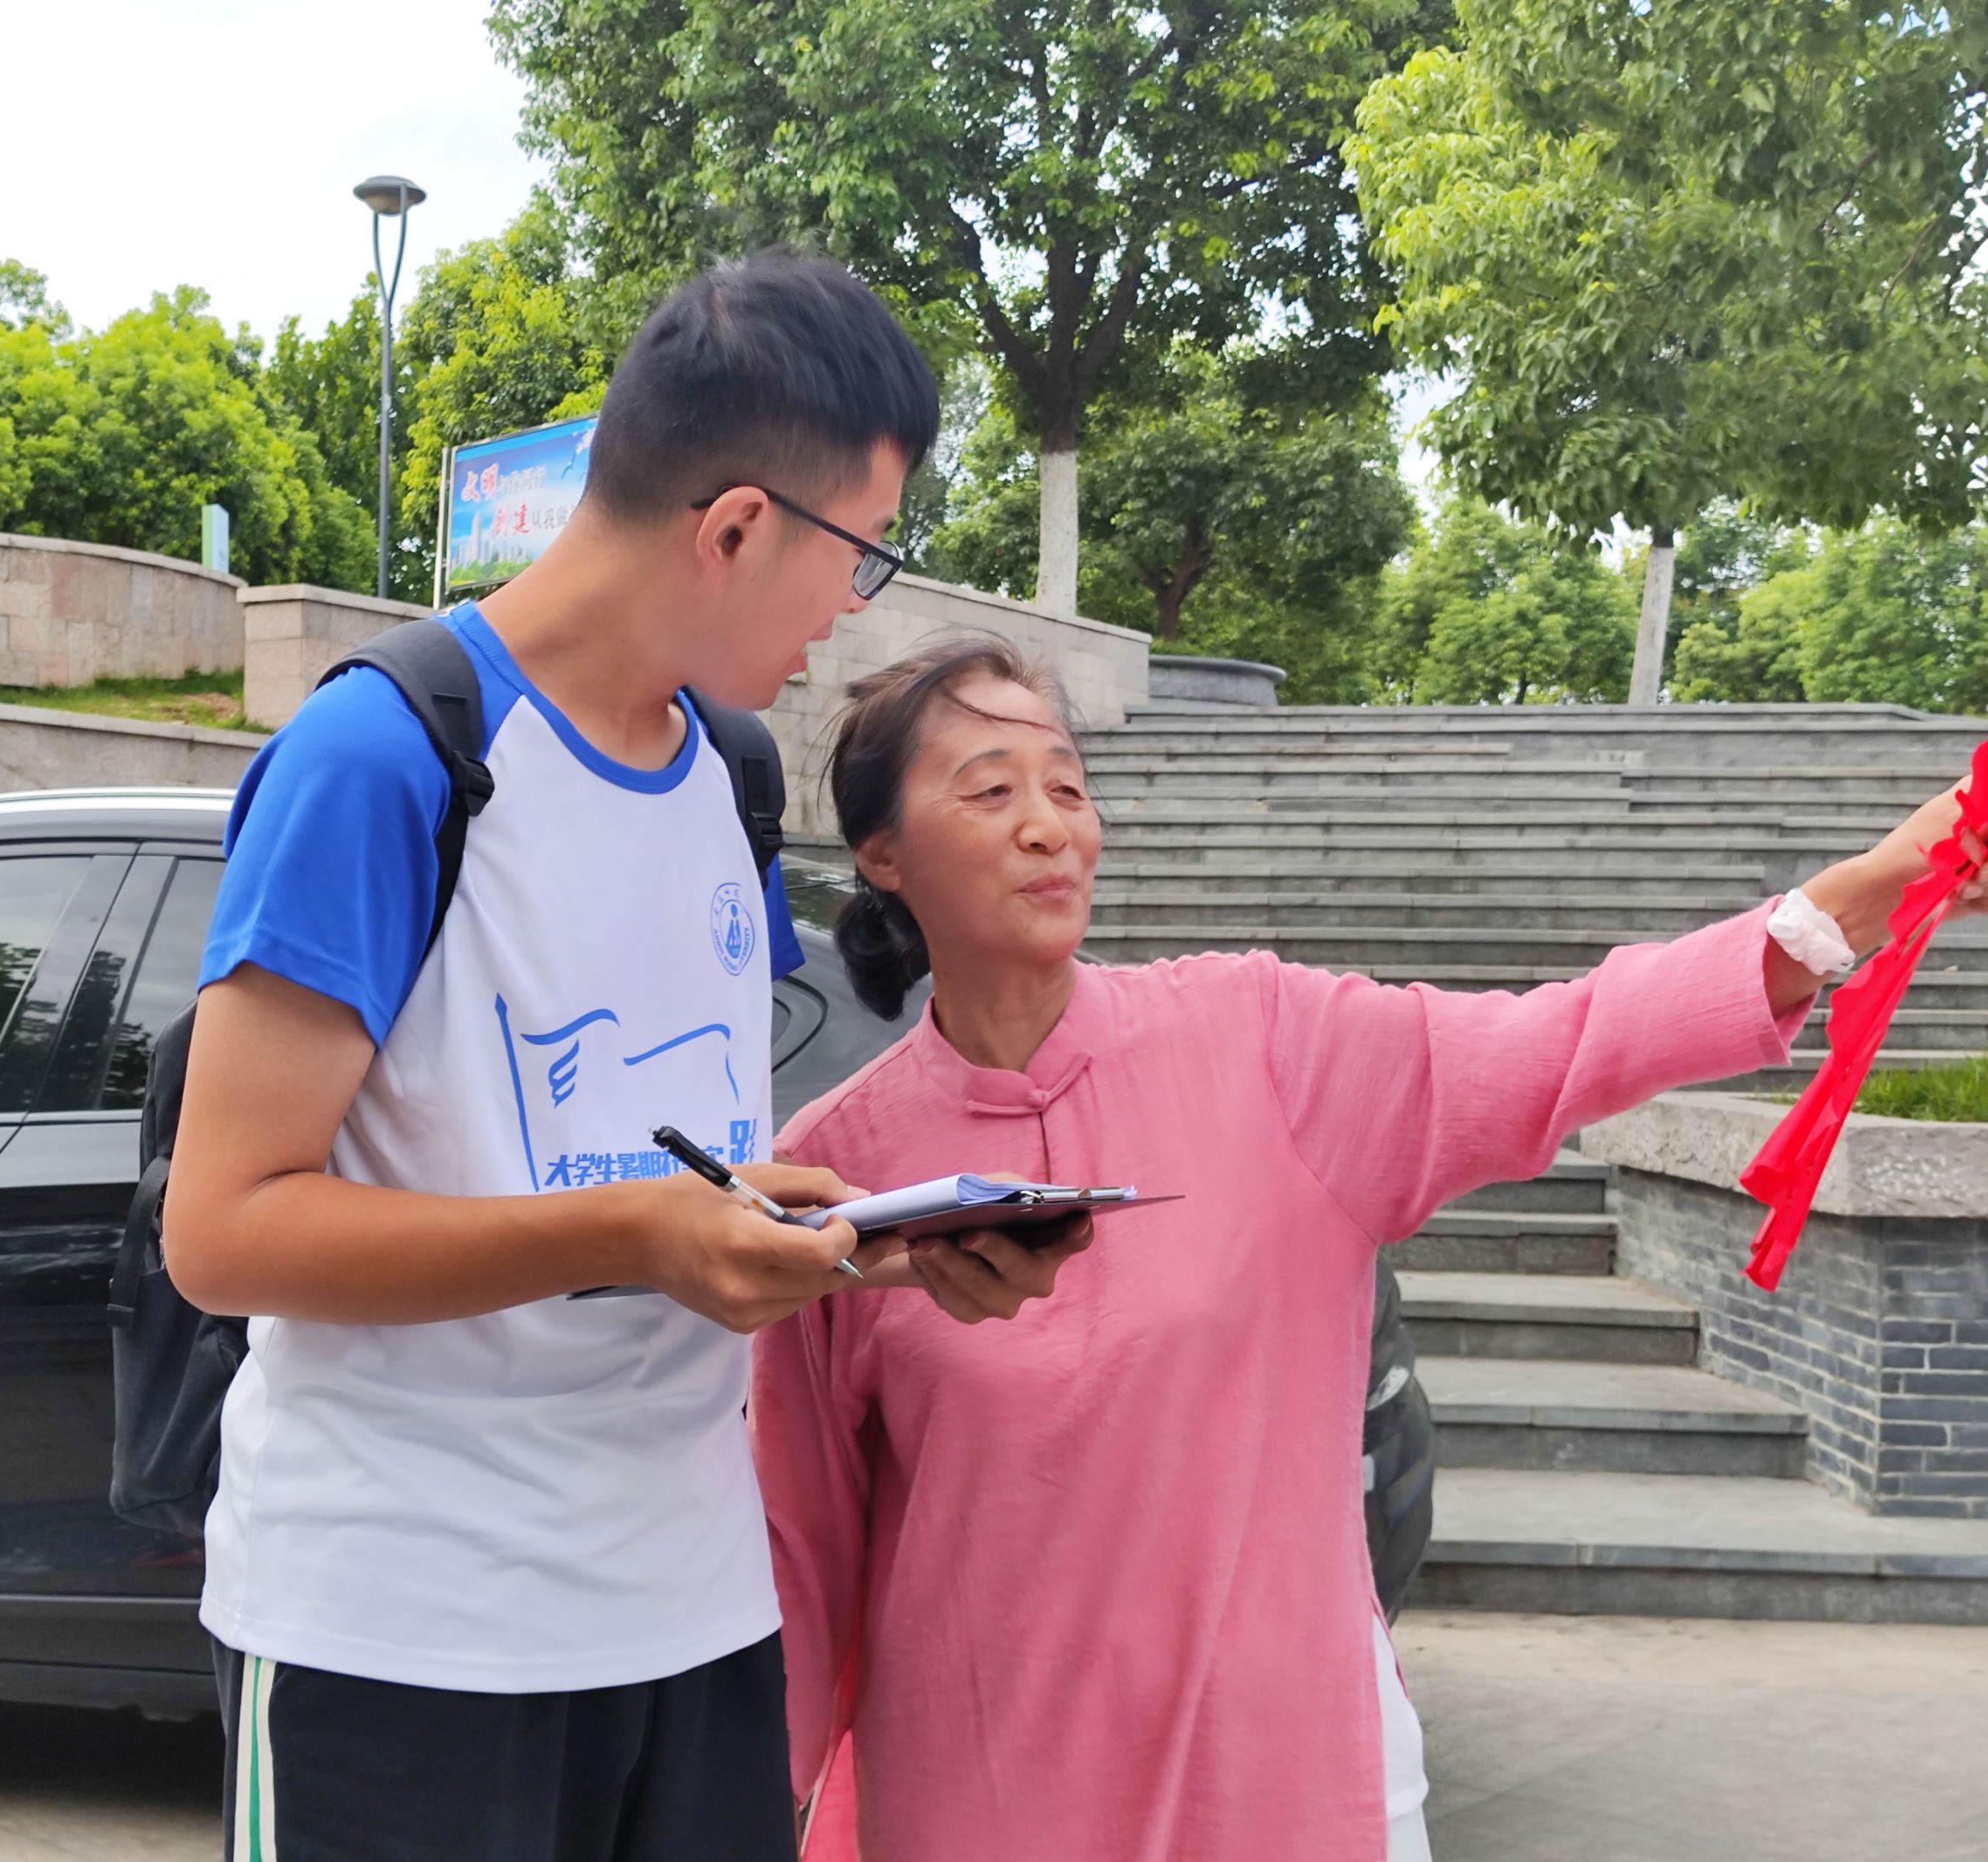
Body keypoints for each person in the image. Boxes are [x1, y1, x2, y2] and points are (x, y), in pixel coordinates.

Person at [749, 637, 1988, 1862]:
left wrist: (1873, 885)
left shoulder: (1265, 1042)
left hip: (1274, 1776)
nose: (1048, 827)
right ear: (882, 853)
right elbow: (800, 1554)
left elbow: (1568, 1040)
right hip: (980, 1789)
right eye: (990, 790)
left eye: (1068, 787)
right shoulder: (838, 1164)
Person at [161, 258, 1081, 1862]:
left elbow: (661, 1168)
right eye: (859, 552)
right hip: (404, 1640)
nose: (852, 608)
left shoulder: (729, 774)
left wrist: (831, 1241)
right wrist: (635, 1234)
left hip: (691, 1619)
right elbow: (224, 1230)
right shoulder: (386, 756)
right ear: (734, 529)